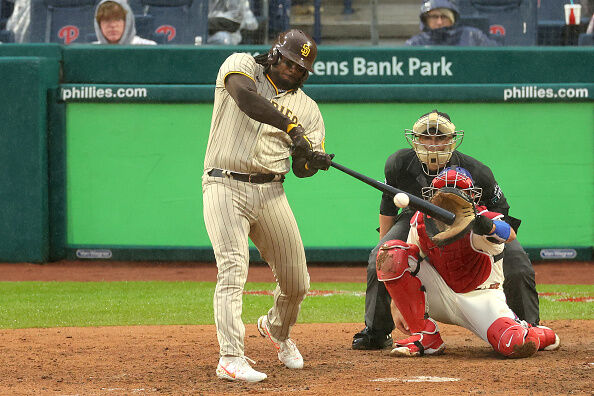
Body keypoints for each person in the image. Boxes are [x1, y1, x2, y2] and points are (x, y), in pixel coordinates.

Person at [203, 29, 333, 383]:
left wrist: (311, 160)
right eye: (290, 62)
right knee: (233, 267)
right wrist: (290, 126)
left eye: (302, 68)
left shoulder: (310, 109)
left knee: (297, 282)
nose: (294, 71)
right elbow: (246, 99)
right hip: (223, 183)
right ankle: (230, 357)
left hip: (271, 190)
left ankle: (277, 329)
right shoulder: (241, 64)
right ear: (275, 53)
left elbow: (300, 170)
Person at [352, 110, 540, 350]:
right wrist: (383, 252)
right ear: (415, 139)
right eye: (426, 138)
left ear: (452, 140)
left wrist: (494, 237)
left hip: (474, 219)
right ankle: (376, 331)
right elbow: (388, 209)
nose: (433, 145)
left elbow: (503, 216)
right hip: (415, 218)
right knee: (381, 257)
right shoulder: (398, 164)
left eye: (440, 138)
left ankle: (531, 328)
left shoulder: (478, 171)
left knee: (518, 264)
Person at [376, 167, 559, 358]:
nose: (449, 196)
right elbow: (407, 261)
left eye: (458, 191)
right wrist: (397, 304)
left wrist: (486, 225)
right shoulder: (421, 221)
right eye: (443, 189)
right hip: (440, 293)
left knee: (516, 344)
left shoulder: (483, 220)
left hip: (481, 298)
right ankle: (425, 336)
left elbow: (509, 234)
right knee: (392, 253)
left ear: (472, 196)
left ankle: (539, 333)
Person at [406, 0, 499, 46]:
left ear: (453, 19)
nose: (439, 22)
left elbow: (498, 58)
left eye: (444, 17)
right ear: (425, 20)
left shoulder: (473, 36)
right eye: (434, 17)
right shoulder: (415, 44)